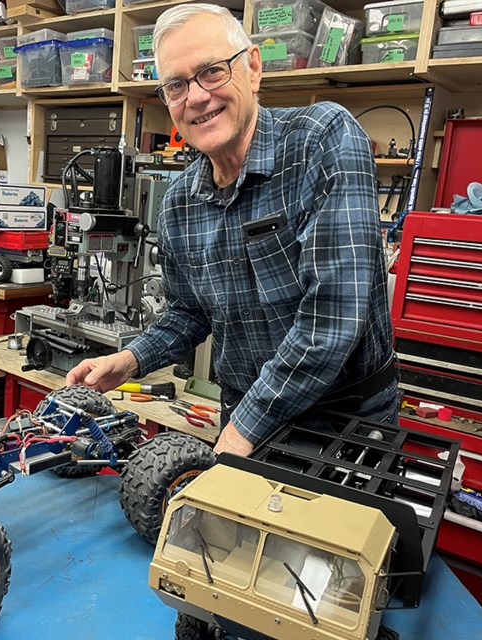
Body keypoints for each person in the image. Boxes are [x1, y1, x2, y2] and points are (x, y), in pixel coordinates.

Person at [65, 3, 399, 456]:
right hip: (244, 412)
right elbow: (189, 312)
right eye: (176, 85)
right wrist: (130, 359)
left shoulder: (322, 140)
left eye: (212, 72)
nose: (197, 97)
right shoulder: (181, 201)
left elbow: (332, 318)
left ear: (253, 68)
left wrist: (242, 431)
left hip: (346, 422)